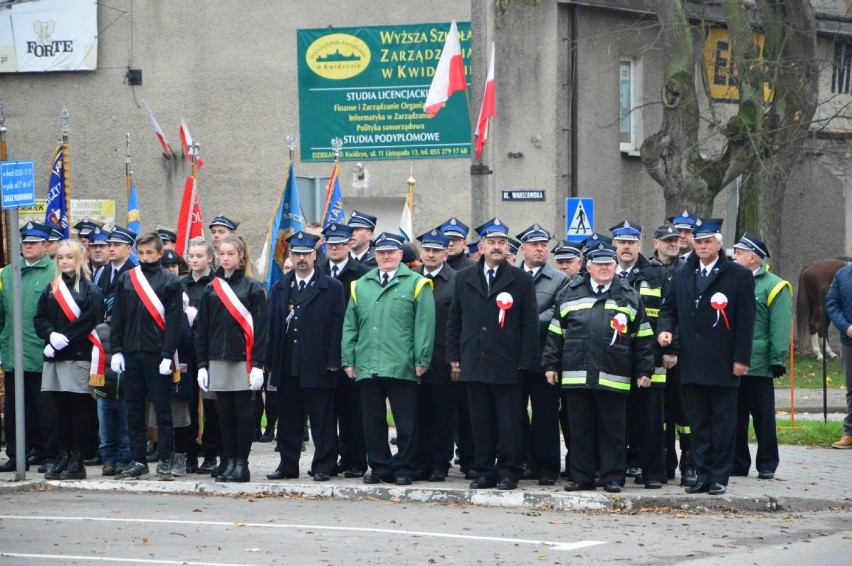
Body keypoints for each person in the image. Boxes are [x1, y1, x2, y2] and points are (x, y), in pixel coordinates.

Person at [542, 240, 655, 493]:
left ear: (615, 267)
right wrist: (550, 365)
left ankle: (612, 477)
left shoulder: (629, 296)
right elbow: (555, 333)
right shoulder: (570, 293)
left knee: (613, 432)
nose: (604, 269)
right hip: (576, 376)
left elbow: (643, 337)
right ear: (589, 268)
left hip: (614, 375)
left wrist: (644, 371)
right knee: (580, 430)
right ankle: (581, 477)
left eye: (609, 264)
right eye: (599, 265)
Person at [658, 218, 756, 495]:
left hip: (724, 362)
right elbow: (669, 310)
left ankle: (719, 477)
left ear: (718, 243)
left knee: (722, 422)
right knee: (697, 421)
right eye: (698, 242)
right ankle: (701, 474)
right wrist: (664, 332)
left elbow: (746, 320)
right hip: (691, 361)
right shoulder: (681, 275)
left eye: (707, 242)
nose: (702, 246)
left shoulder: (738, 275)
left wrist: (741, 359)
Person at [446, 218, 539, 491]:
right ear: (481, 247)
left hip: (507, 363)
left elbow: (529, 323)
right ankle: (484, 470)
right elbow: (455, 319)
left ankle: (509, 470)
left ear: (508, 247)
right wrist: (454, 356)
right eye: (491, 243)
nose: (496, 247)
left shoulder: (520, 280)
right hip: (474, 361)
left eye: (501, 243)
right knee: (480, 420)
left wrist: (526, 360)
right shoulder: (464, 278)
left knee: (509, 421)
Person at [342, 232, 436, 485]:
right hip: (368, 363)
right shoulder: (360, 284)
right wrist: (348, 359)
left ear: (400, 255)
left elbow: (424, 326)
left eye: (391, 252)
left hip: (401, 363)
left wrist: (422, 359)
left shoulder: (417, 283)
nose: (386, 257)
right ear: (374, 255)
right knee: (372, 421)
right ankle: (380, 467)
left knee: (406, 422)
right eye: (381, 252)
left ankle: (405, 467)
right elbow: (350, 325)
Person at [266, 232, 345, 481]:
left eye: (306, 254)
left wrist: (334, 359)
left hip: (318, 362)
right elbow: (272, 325)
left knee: (322, 418)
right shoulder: (280, 287)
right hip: (288, 362)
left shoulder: (332, 286)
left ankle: (323, 465)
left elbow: (338, 325)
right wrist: (269, 361)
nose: (301, 259)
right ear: (290, 255)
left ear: (315, 255)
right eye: (296, 254)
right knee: (289, 418)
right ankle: (288, 464)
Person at [111, 231, 183, 481]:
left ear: (160, 253)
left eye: (149, 252)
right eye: (140, 253)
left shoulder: (171, 282)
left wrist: (167, 354)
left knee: (162, 409)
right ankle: (138, 459)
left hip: (157, 354)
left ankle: (164, 460)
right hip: (131, 352)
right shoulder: (127, 279)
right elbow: (118, 317)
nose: (144, 257)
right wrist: (116, 349)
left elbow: (174, 322)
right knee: (133, 408)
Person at [195, 234, 268, 482]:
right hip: (217, 358)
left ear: (240, 257)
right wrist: (202, 365)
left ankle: (241, 463)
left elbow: (261, 330)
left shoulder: (252, 287)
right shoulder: (210, 288)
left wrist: (257, 365)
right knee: (223, 412)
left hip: (243, 359)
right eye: (222, 254)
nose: (225, 258)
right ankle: (228, 460)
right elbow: (202, 330)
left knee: (243, 411)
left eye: (230, 254)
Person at [34, 240, 104, 479]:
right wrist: (50, 336)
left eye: (69, 257)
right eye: (61, 258)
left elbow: (90, 319)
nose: (64, 261)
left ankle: (78, 459)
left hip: (78, 355)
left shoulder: (90, 289)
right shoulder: (52, 288)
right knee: (59, 410)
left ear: (80, 259)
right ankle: (63, 456)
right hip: (55, 357)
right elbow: (39, 317)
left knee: (78, 410)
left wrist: (65, 337)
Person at [610, 220, 672, 489]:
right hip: (615, 359)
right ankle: (617, 470)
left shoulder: (656, 273)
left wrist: (671, 349)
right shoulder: (605, 272)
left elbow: (671, 312)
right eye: (622, 242)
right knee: (617, 420)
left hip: (651, 358)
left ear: (640, 245)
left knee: (650, 421)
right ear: (614, 245)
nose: (626, 247)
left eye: (632, 242)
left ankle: (653, 474)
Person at [731, 232, 792, 478]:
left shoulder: (775, 285)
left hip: (760, 363)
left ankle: (767, 464)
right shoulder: (733, 280)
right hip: (734, 361)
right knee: (735, 418)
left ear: (753, 257)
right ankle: (737, 463)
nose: (734, 256)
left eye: (739, 253)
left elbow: (780, 325)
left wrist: (777, 358)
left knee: (763, 418)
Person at [0, 222, 57, 473]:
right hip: (14, 351)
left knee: (45, 409)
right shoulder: (7, 273)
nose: (28, 246)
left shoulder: (54, 272)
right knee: (14, 410)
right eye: (25, 242)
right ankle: (16, 454)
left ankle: (48, 454)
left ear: (46, 245)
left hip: (41, 351)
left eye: (34, 242)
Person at [516, 224, 568, 486]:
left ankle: (548, 467)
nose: (540, 249)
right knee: (515, 412)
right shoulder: (511, 277)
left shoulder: (559, 279)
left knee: (546, 414)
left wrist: (527, 322)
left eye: (543, 245)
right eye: (534, 245)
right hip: (515, 358)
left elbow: (559, 312)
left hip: (545, 356)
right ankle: (526, 460)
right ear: (522, 249)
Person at [319, 223, 371, 478]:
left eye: (340, 243)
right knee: (326, 411)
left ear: (350, 244)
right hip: (323, 352)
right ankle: (329, 459)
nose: (335, 248)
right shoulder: (319, 273)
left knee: (353, 411)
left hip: (353, 351)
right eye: (330, 244)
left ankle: (355, 460)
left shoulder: (363, 274)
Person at [413, 229, 458, 482]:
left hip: (443, 358)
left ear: (446, 253)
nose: (431, 254)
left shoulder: (457, 280)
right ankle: (420, 461)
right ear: (420, 252)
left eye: (436, 250)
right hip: (413, 359)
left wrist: (456, 358)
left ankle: (440, 463)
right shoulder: (410, 278)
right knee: (417, 413)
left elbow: (460, 322)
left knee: (442, 415)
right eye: (427, 250)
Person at [651, 224, 694, 484]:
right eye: (667, 240)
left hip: (680, 355)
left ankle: (689, 462)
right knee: (660, 412)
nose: (673, 244)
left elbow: (684, 315)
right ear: (656, 243)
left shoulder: (688, 271)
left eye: (676, 240)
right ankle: (665, 463)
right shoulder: (647, 270)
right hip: (653, 354)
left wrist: (673, 349)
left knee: (683, 411)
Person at [181, 237, 218, 473]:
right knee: (188, 403)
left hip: (209, 350)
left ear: (210, 258)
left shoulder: (215, 283)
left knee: (212, 405)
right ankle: (190, 452)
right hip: (186, 351)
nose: (194, 260)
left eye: (199, 256)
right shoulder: (180, 283)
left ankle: (212, 454)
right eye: (191, 256)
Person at [827, 258, 852, 449]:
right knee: (851, 389)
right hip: (849, 340)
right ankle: (850, 432)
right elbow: (832, 304)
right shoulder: (842, 275)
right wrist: (846, 327)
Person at [99, 226, 137, 319]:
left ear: (128, 249)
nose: (111, 248)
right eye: (109, 245)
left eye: (117, 245)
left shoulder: (135, 273)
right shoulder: (101, 271)